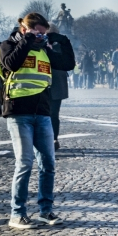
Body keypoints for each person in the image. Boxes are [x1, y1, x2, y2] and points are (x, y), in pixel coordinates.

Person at [0, 13, 75, 229]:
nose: (42, 37)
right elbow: (11, 64)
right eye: (39, 33)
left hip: (42, 113)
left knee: (48, 164)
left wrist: (62, 41)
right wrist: (27, 40)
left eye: (44, 33)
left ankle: (45, 210)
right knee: (25, 163)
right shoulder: (7, 45)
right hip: (18, 112)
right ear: (25, 29)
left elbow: (68, 64)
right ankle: (17, 214)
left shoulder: (44, 50)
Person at [46, 23, 70, 151]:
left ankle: (54, 138)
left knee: (53, 113)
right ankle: (49, 138)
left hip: (56, 84)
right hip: (45, 83)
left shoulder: (60, 46)